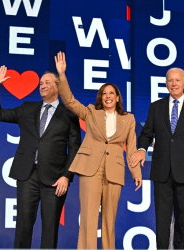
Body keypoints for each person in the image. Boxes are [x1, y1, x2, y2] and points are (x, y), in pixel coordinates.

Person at [54, 52, 142, 249]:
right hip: (90, 170)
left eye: (111, 93)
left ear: (118, 97)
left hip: (114, 171)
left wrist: (136, 172)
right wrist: (62, 76)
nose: (108, 96)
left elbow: (132, 146)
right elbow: (69, 101)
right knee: (88, 218)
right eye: (104, 93)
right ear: (100, 98)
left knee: (109, 221)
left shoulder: (128, 118)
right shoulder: (91, 111)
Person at [0, 66, 81, 248]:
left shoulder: (69, 114)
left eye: (47, 82)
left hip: (55, 179)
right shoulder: (27, 108)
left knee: (50, 228)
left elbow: (75, 149)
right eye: (40, 83)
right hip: (27, 175)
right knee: (23, 226)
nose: (42, 86)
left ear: (58, 86)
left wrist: (66, 176)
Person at [130, 67, 184, 249]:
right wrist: (142, 149)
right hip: (162, 172)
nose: (173, 83)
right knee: (162, 222)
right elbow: (146, 133)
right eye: (170, 80)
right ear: (166, 84)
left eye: (177, 80)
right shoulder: (155, 106)